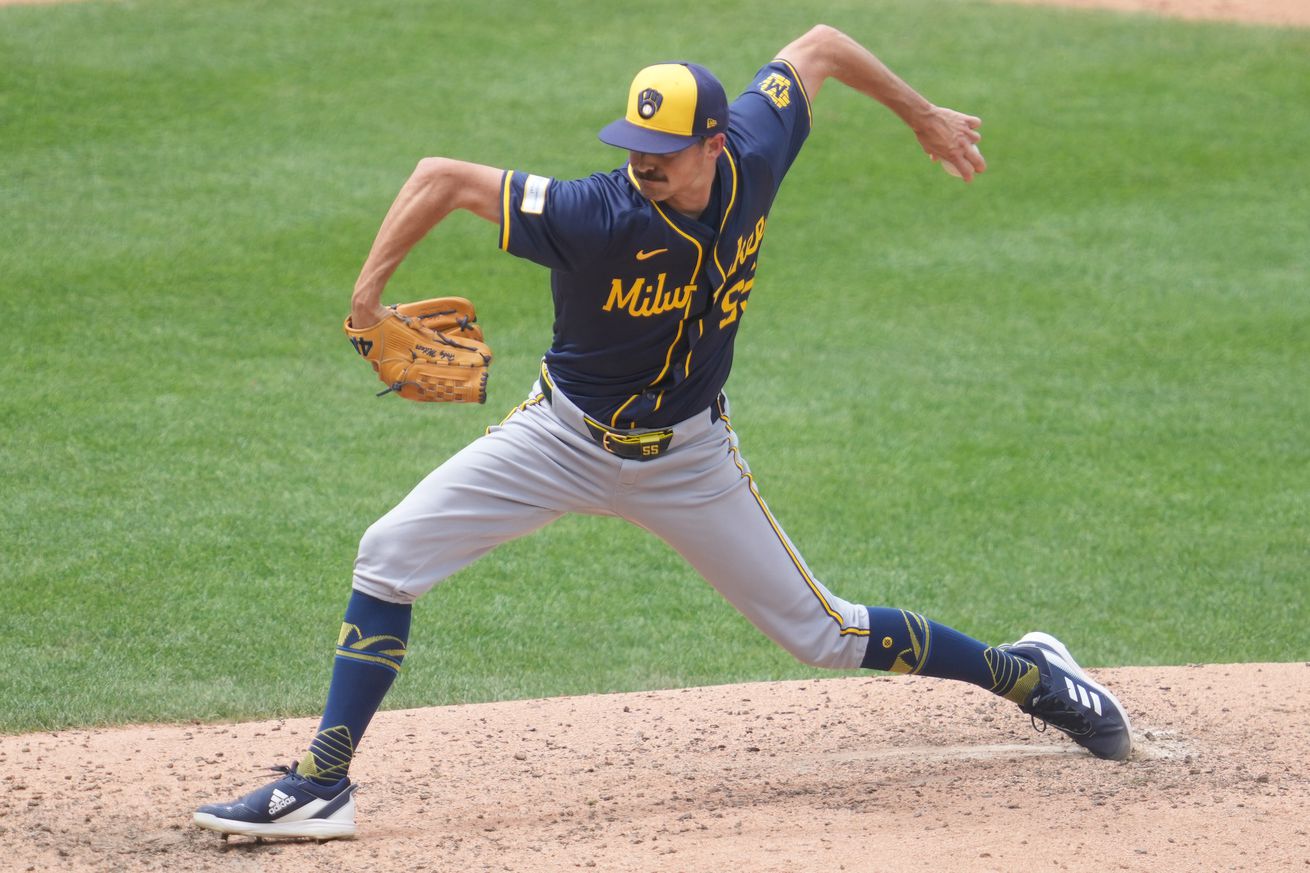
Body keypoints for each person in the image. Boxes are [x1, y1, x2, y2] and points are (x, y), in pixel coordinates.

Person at [193, 24, 1131, 841]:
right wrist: (365, 301)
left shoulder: (757, 150)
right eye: (635, 145)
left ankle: (1029, 674)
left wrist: (920, 113)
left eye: (664, 152)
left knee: (827, 634)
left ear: (715, 145)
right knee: (388, 552)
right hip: (559, 439)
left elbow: (820, 47)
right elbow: (440, 179)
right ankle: (321, 783)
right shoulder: (592, 213)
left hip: (691, 460)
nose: (643, 165)